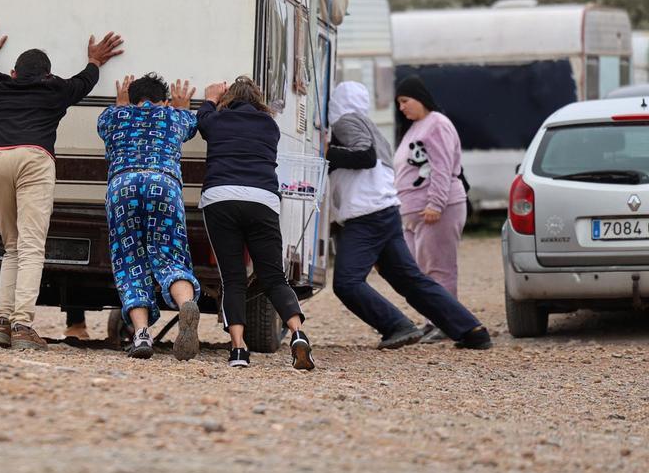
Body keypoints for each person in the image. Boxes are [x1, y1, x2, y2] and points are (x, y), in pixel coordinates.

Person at [0, 17, 124, 351]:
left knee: (11, 245)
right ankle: (22, 325)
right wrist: (95, 60)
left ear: (13, 72)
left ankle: (2, 321)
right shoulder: (54, 90)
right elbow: (83, 82)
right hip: (33, 158)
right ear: (46, 75)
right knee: (30, 246)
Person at [327, 81, 491, 350]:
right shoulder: (370, 126)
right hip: (387, 211)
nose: (401, 106)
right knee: (411, 280)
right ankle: (471, 330)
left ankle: (396, 325)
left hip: (366, 214)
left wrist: (326, 153)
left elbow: (364, 156)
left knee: (347, 282)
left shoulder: (345, 121)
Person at [196, 77, 315, 370]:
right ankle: (298, 334)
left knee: (233, 278)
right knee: (274, 277)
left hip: (220, 198)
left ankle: (238, 349)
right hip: (262, 200)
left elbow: (203, 120)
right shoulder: (269, 126)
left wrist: (211, 98)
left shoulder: (217, 120)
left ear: (229, 100)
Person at [97, 73, 203, 360]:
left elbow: (107, 123)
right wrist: (180, 106)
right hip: (163, 187)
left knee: (129, 261)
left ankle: (142, 334)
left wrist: (120, 105)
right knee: (170, 257)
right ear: (164, 100)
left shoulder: (113, 117)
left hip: (123, 187)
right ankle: (184, 307)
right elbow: (192, 124)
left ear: (130, 100)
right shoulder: (175, 117)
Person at [394, 75, 469, 343]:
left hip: (437, 209)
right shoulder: (414, 127)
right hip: (412, 212)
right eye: (398, 103)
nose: (401, 107)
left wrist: (435, 203)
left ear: (420, 98)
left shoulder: (437, 124)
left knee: (439, 268)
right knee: (418, 270)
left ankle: (448, 322)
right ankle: (432, 318)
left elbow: (441, 166)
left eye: (405, 101)